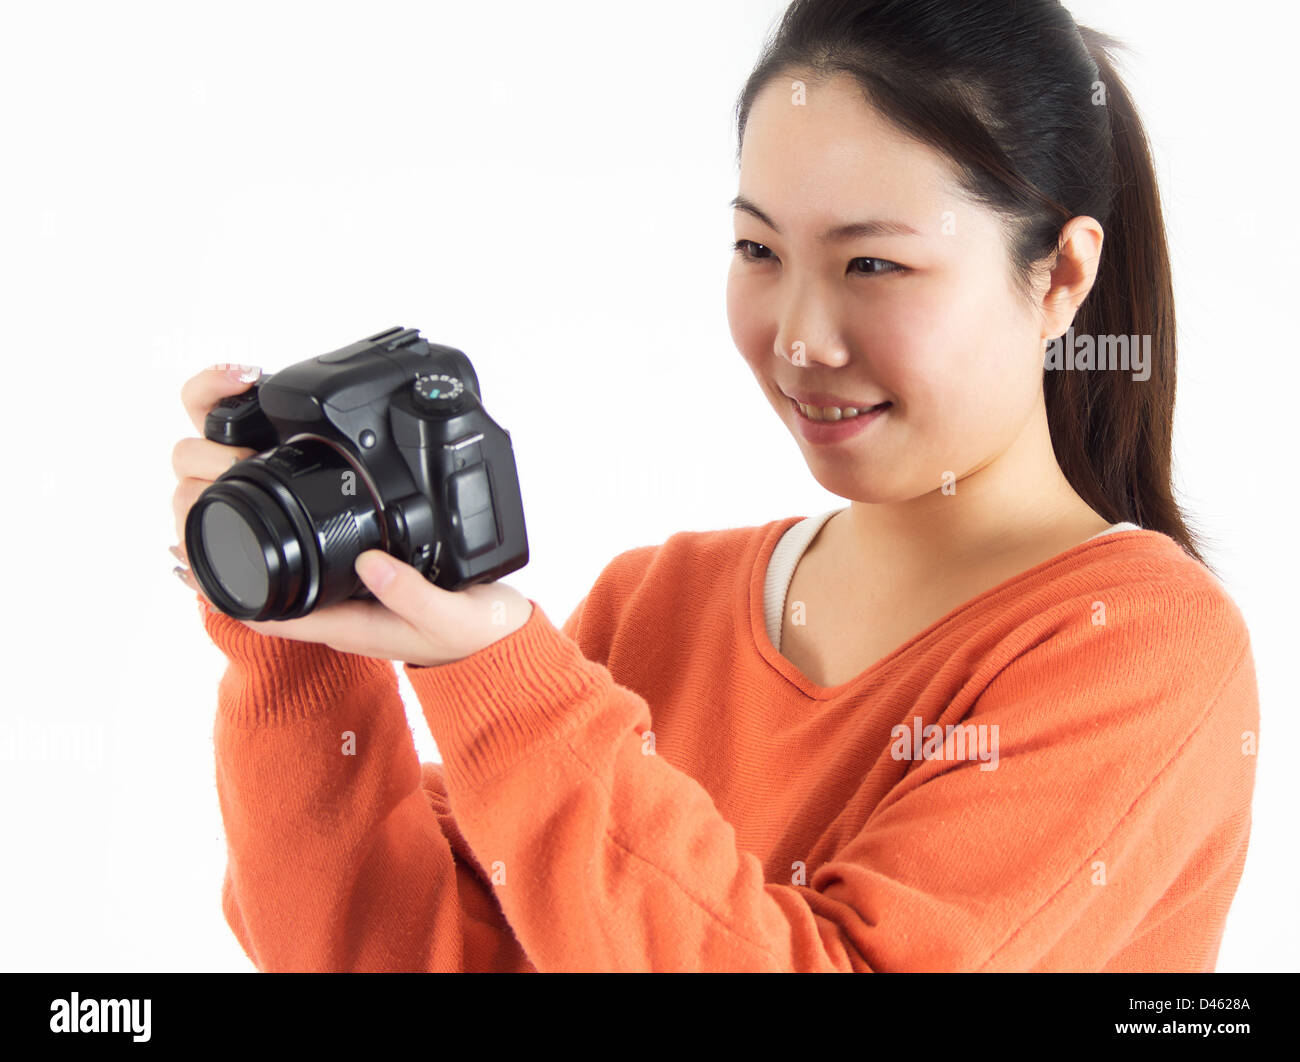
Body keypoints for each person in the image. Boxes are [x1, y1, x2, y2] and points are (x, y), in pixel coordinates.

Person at [169, 0, 1259, 972]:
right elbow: (376, 954)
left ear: (1061, 274)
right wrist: (290, 638)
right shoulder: (660, 605)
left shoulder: (1137, 646)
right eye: (757, 249)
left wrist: (502, 682)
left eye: (871, 263)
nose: (798, 338)